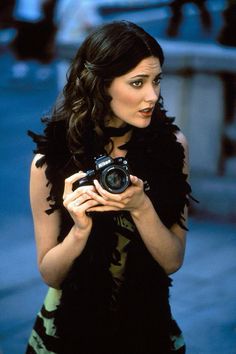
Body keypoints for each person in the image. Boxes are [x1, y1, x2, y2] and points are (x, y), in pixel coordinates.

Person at [26, 20, 192, 354]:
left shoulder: (173, 147)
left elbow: (172, 261)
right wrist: (78, 231)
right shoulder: (50, 162)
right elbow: (51, 275)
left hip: (149, 324)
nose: (152, 96)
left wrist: (140, 207)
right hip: (68, 330)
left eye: (157, 80)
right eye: (137, 83)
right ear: (101, 85)